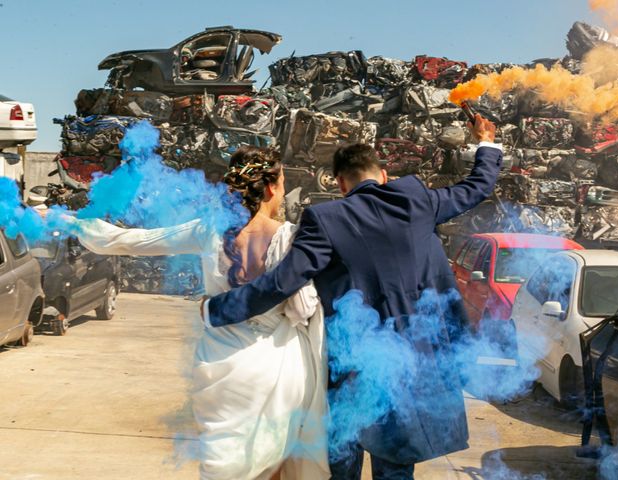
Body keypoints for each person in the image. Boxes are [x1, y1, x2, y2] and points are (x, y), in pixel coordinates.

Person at [204, 114, 502, 480]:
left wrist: (217, 309)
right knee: (395, 470)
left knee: (342, 464)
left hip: (348, 369)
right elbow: (477, 186)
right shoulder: (418, 201)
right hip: (410, 367)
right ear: (383, 176)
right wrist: (485, 140)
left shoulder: (325, 218)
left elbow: (282, 282)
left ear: (340, 184)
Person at [63, 147, 330, 480]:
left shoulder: (208, 230)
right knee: (275, 458)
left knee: (226, 463)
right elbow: (305, 303)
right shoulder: (290, 238)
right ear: (273, 187)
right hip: (277, 364)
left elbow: (132, 241)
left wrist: (70, 221)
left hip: (222, 364)